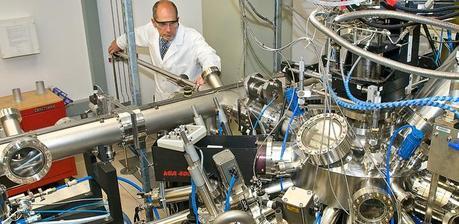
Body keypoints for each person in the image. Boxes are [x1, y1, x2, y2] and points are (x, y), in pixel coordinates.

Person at [108, 0, 221, 101]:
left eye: (172, 23)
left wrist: (207, 75)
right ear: (154, 22)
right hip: (161, 98)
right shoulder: (150, 31)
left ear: (178, 20)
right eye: (162, 24)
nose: (168, 29)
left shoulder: (191, 37)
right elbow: (134, 35)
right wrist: (118, 43)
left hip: (186, 99)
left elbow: (208, 55)